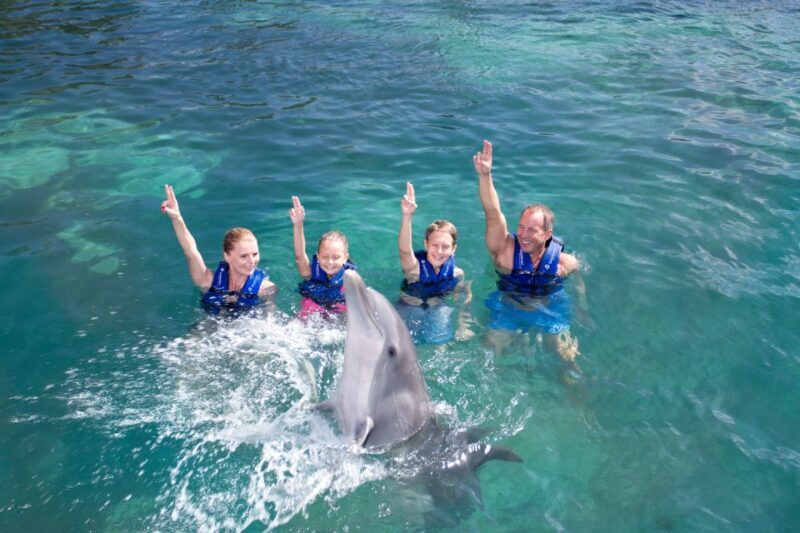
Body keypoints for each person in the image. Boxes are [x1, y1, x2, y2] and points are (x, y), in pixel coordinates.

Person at [473, 140, 588, 369]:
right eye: (521, 227)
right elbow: (492, 213)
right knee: (488, 354)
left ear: (547, 234)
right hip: (509, 306)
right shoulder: (504, 251)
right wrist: (485, 176)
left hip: (550, 309)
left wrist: (582, 309)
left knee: (567, 360)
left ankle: (577, 387)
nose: (523, 235)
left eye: (532, 230)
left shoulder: (566, 263)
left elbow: (579, 282)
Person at [160, 184, 276, 314]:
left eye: (255, 254)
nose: (252, 261)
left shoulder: (265, 289)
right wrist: (177, 218)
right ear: (227, 256)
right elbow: (190, 250)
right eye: (244, 256)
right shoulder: (208, 281)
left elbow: (269, 320)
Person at [397, 181, 472, 344]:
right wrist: (407, 216)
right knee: (403, 343)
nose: (439, 251)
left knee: (441, 343)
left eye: (445, 247)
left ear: (454, 248)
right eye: (434, 245)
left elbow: (462, 299)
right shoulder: (414, 268)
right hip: (410, 308)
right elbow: (404, 250)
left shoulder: (457, 273)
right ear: (426, 244)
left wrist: (463, 324)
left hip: (437, 308)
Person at [289, 195, 356, 319]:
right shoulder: (309, 273)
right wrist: (298, 225)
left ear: (345, 257)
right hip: (309, 317)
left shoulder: (351, 280)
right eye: (325, 256)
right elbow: (300, 256)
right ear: (318, 257)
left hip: (338, 317)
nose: (330, 262)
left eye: (336, 257)